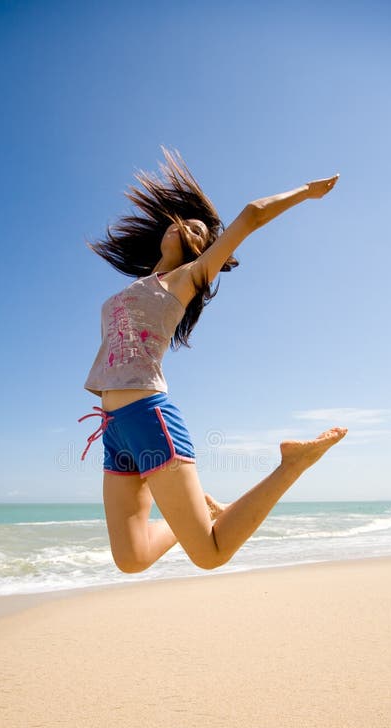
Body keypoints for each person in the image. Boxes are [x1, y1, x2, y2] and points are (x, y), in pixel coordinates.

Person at [79, 148, 347, 573]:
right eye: (183, 221)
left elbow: (251, 214)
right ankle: (205, 512)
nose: (186, 228)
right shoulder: (142, 284)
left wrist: (305, 192)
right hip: (113, 429)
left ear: (203, 252)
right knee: (131, 559)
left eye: (200, 232)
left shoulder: (187, 279)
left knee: (210, 554)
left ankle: (292, 464)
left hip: (148, 416)